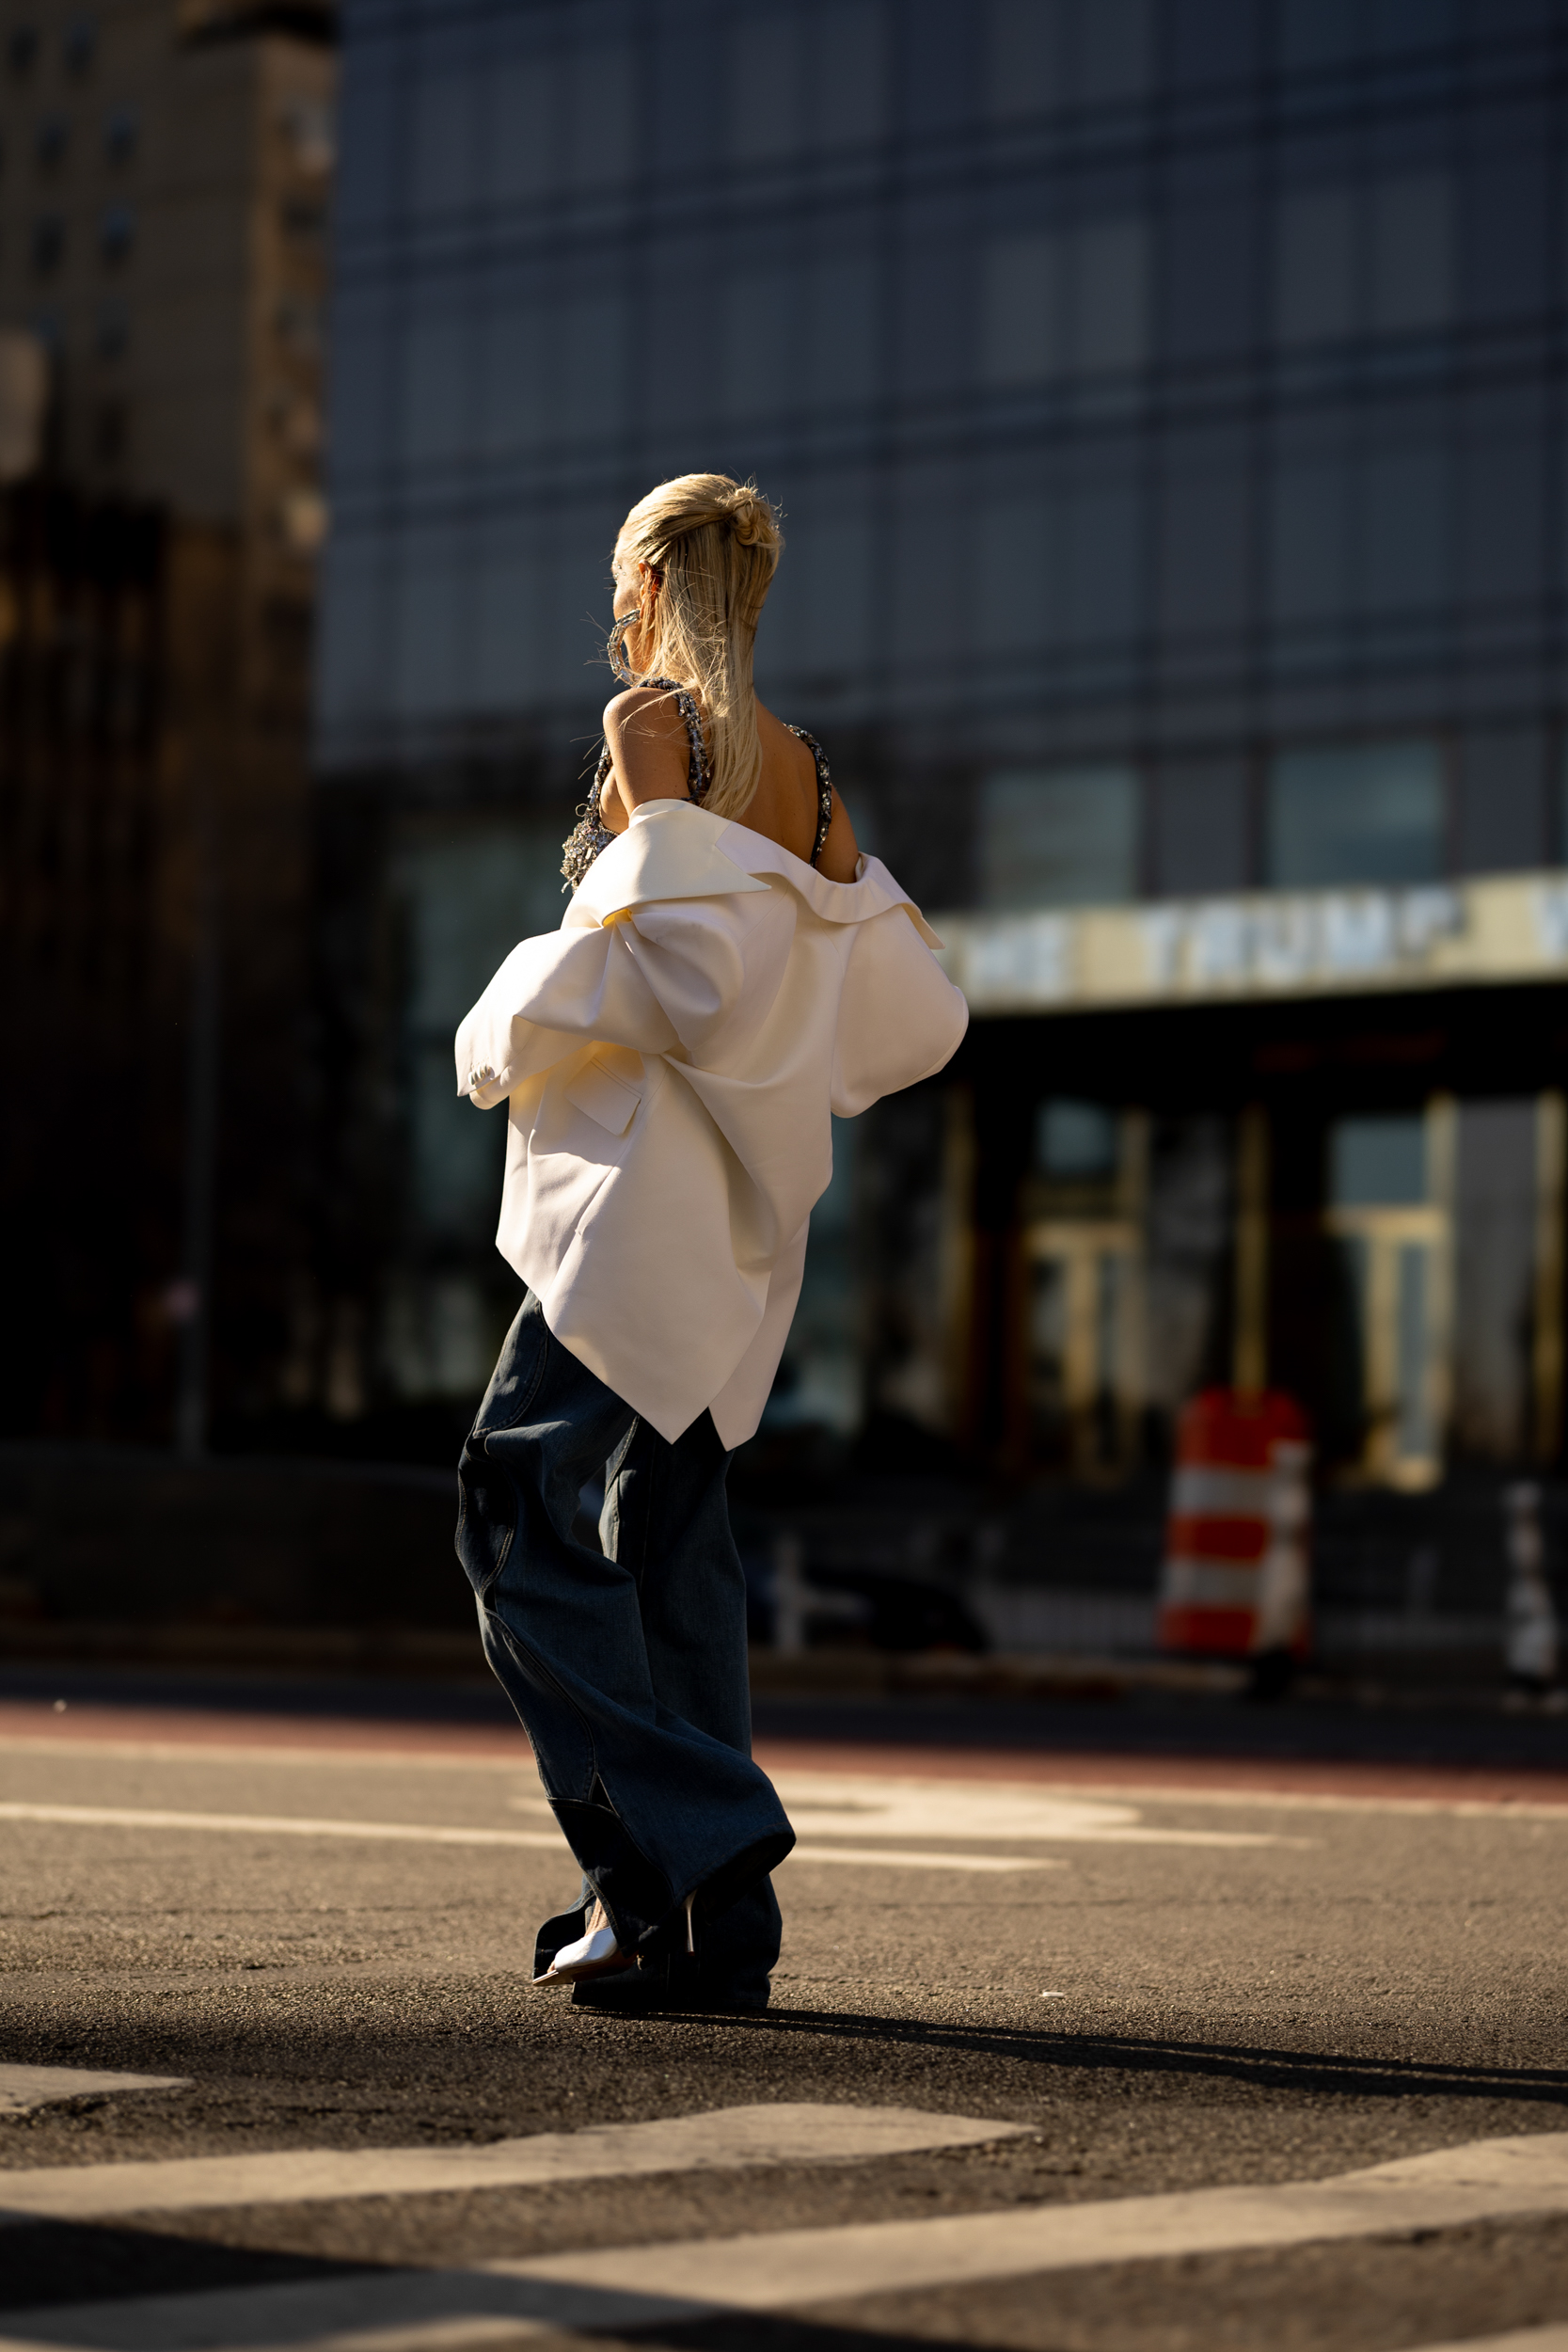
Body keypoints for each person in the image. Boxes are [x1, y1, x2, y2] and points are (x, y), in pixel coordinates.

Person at [453, 472, 967, 2011]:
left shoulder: (652, 733)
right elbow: (908, 1014)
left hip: (629, 1213)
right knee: (674, 1547)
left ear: (651, 589)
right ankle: (699, 1924)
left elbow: (677, 972)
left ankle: (693, 1849)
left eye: (625, 592)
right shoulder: (811, 783)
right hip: (744, 1227)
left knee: (514, 1515)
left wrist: (641, 843)